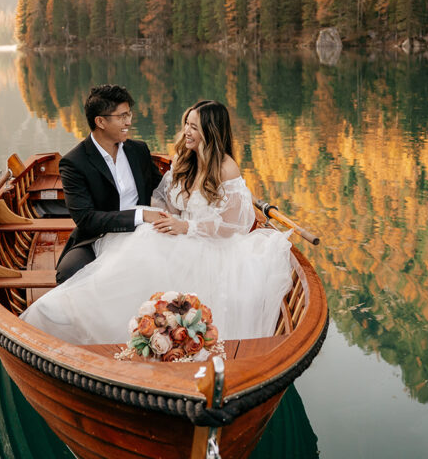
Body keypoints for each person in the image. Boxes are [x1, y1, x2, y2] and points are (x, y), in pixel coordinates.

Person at [19, 100, 293, 345]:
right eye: (186, 123)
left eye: (194, 127)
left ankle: (133, 326)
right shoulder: (185, 161)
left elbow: (236, 225)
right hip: (171, 234)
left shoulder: (225, 168)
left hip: (211, 246)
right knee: (143, 245)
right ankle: (75, 314)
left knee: (146, 250)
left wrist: (185, 227)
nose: (186, 131)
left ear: (211, 131)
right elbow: (162, 197)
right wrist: (164, 218)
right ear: (101, 122)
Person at [51, 84, 165, 284]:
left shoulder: (138, 150)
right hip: (96, 237)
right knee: (70, 274)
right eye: (122, 116)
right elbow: (86, 219)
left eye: (129, 114)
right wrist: (142, 215)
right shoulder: (74, 162)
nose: (128, 122)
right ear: (100, 121)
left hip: (145, 233)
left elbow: (162, 188)